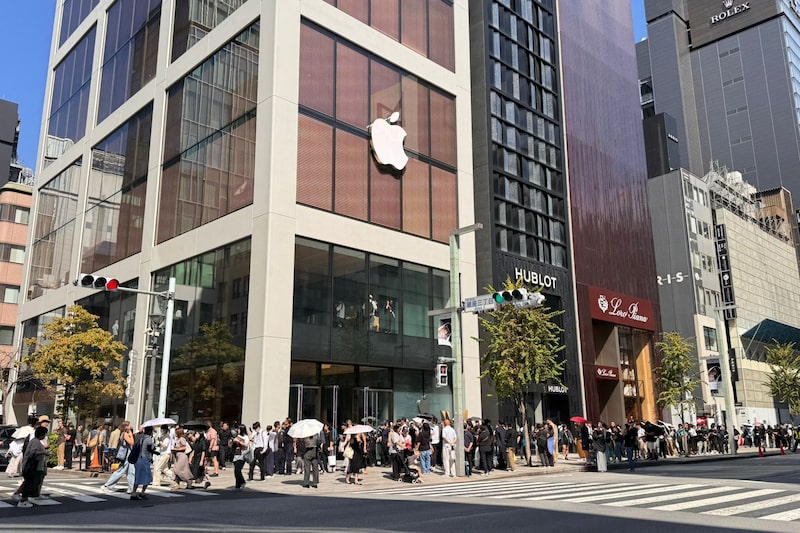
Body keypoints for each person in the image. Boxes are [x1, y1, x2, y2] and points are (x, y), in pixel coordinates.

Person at [16, 426, 49, 508]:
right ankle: (22, 500)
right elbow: (32, 453)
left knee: (29, 483)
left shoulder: (34, 441)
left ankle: (24, 499)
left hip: (32, 466)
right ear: (41, 435)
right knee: (29, 483)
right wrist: (43, 453)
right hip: (32, 466)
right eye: (44, 434)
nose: (45, 436)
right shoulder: (36, 442)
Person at [101, 422, 135, 494]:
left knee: (131, 471)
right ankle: (107, 485)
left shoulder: (123, 433)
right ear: (126, 427)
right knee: (121, 471)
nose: (131, 426)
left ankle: (131, 488)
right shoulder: (125, 434)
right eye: (129, 425)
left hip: (128, 453)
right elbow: (132, 443)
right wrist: (131, 435)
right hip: (126, 454)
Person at [130, 426, 156, 500]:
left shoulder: (141, 437)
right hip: (144, 459)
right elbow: (149, 449)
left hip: (139, 458)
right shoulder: (149, 439)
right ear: (150, 431)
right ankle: (142, 492)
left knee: (138, 476)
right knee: (148, 476)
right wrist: (155, 451)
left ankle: (134, 492)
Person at [231, 425, 249, 490]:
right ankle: (237, 485)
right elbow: (230, 445)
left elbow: (246, 445)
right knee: (235, 471)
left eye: (239, 429)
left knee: (238, 470)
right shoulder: (236, 436)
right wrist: (232, 441)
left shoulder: (245, 437)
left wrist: (239, 441)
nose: (238, 430)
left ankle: (242, 481)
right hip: (236, 455)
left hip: (242, 455)